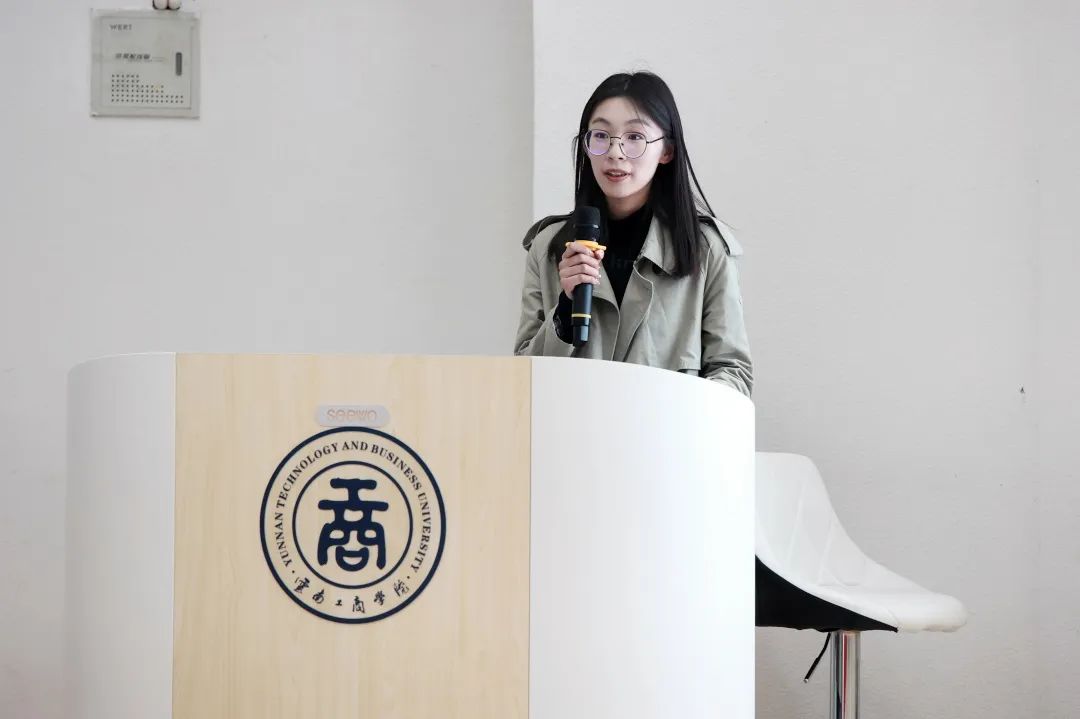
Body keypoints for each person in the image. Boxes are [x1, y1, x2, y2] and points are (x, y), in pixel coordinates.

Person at [513, 71, 753, 397]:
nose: (615, 151)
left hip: (665, 429)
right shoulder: (548, 248)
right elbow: (521, 381)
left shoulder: (704, 249)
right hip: (571, 427)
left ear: (666, 151)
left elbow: (733, 373)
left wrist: (680, 414)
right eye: (601, 135)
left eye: (635, 137)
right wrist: (566, 309)